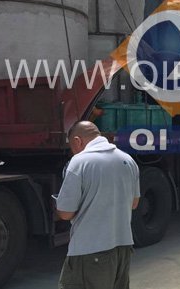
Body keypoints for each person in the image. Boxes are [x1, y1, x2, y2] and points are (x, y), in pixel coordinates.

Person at [56, 121, 140, 289]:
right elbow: (134, 203)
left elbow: (65, 213)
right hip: (123, 248)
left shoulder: (79, 162)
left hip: (90, 251)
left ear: (77, 141)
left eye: (72, 146)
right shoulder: (128, 160)